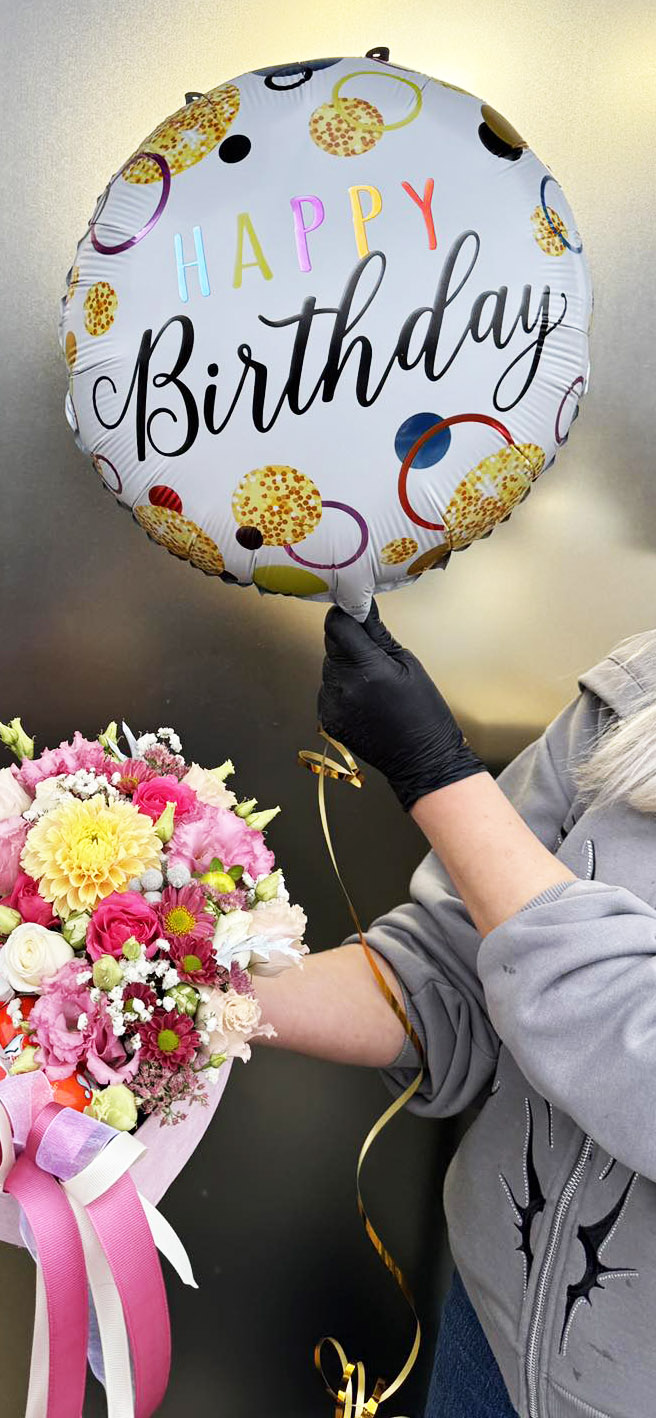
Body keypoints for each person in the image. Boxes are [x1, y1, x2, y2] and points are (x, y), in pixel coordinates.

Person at [253, 605, 656, 1418]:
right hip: (489, 1342)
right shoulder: (637, 693)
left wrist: (438, 775)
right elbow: (451, 968)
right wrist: (186, 994)